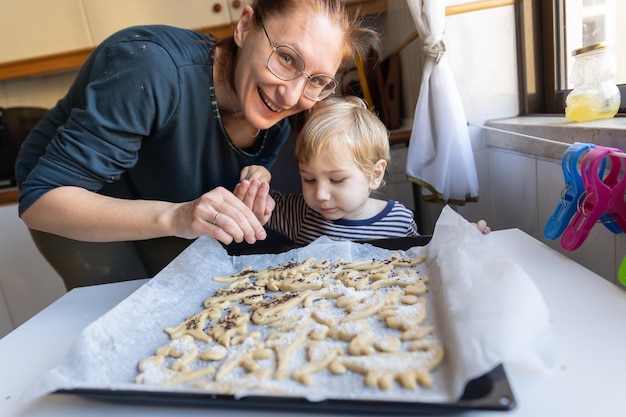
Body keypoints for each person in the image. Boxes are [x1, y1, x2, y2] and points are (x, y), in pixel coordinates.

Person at [14, 1, 379, 289]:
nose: (291, 94)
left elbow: (242, 171)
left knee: (190, 288)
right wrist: (176, 217)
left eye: (317, 80)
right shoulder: (152, 67)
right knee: (119, 298)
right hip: (72, 196)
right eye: (286, 57)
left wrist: (256, 179)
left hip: (163, 194)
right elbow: (41, 200)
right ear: (245, 26)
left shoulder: (275, 112)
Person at [235, 96, 491, 245]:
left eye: (336, 179)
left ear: (374, 175)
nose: (321, 194)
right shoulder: (301, 213)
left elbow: (423, 258)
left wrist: (461, 241)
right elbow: (258, 207)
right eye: (309, 179)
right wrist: (257, 182)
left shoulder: (399, 222)